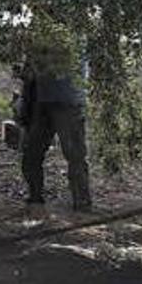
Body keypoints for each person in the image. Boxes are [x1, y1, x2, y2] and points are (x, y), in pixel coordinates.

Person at [16, 21, 92, 212]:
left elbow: (50, 66)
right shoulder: (43, 35)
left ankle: (82, 203)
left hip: (69, 102)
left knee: (75, 155)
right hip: (44, 102)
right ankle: (35, 199)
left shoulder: (73, 34)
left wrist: (33, 59)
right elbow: (30, 72)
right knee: (32, 153)